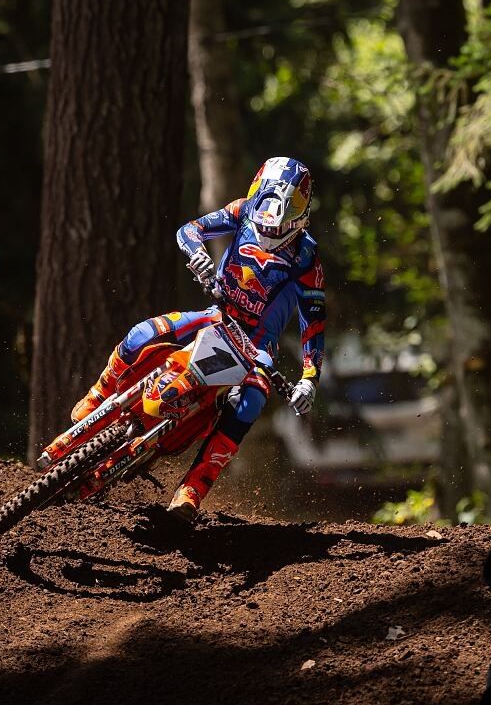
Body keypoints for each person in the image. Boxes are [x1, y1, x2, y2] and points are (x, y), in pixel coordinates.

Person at [70, 156, 326, 521]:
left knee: (251, 402)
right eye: (263, 221)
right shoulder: (242, 210)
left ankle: (193, 487)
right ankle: (99, 394)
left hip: (257, 348)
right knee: (142, 333)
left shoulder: (307, 259)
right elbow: (189, 230)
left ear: (300, 217)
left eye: (281, 225)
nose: (269, 232)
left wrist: (309, 379)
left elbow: (313, 324)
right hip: (217, 315)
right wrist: (197, 254)